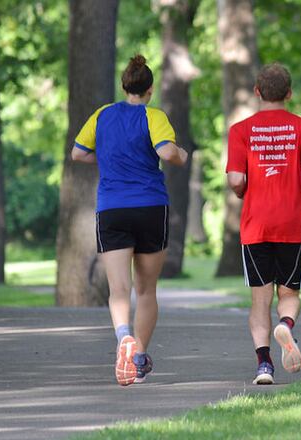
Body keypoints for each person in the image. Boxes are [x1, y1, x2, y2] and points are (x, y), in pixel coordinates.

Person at [71, 54, 188, 386]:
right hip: (150, 207)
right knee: (146, 289)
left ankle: (123, 336)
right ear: (150, 90)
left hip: (112, 209)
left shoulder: (102, 115)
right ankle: (138, 359)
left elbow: (78, 153)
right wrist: (182, 154)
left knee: (119, 288)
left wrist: (110, 159)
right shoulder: (154, 116)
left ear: (124, 87)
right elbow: (167, 152)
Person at [226, 63, 301, 385]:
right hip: (292, 222)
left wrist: (242, 191)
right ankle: (286, 324)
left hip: (256, 224)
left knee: (260, 298)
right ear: (289, 94)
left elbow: (236, 179)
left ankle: (264, 365)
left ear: (257, 92)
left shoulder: (241, 130)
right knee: (289, 292)